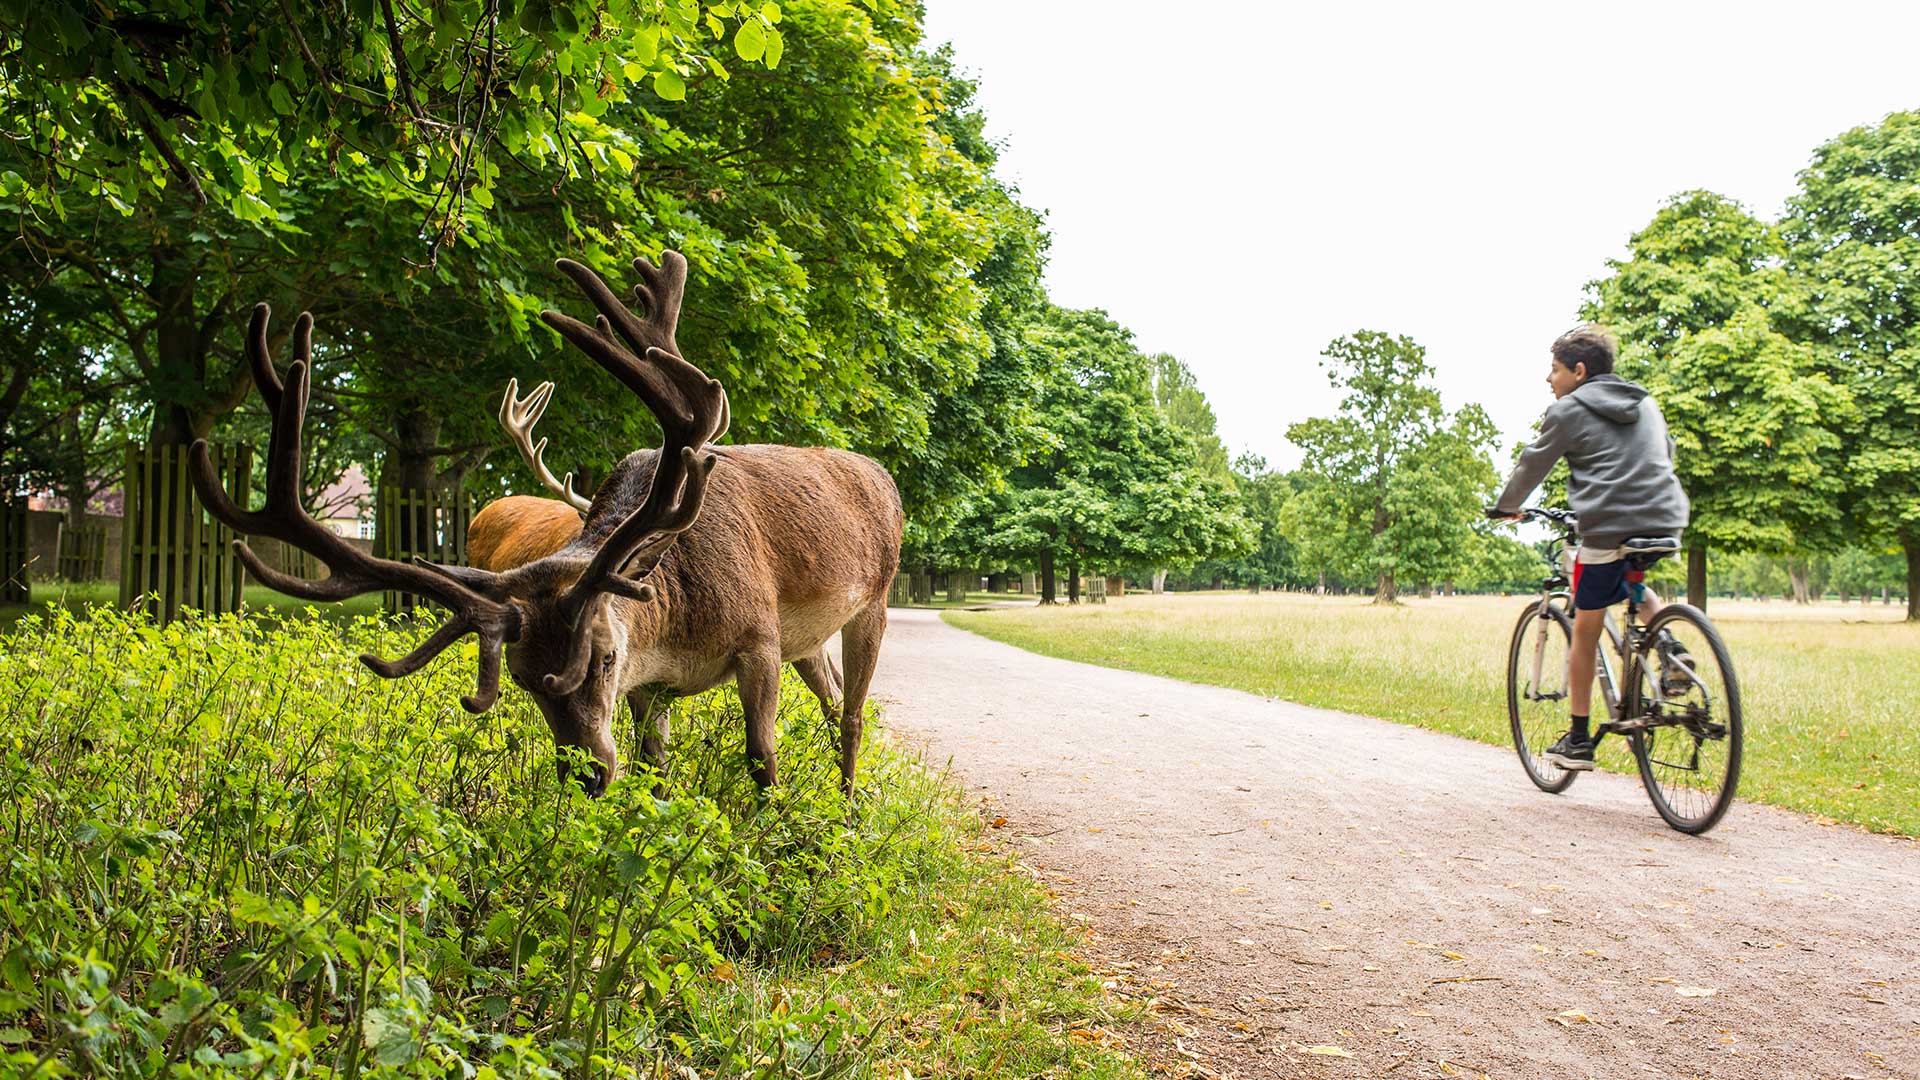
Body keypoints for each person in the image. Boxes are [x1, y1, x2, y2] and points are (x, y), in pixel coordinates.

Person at [1490, 326, 1690, 770]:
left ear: (1579, 371)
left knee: (1584, 630)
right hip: (1665, 515)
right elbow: (1665, 452)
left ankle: (1578, 740)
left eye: (1554, 369)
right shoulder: (1645, 402)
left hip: (1609, 524)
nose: (1549, 379)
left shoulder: (1568, 410)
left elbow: (1533, 463)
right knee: (1631, 584)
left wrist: (1507, 506)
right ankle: (1670, 646)